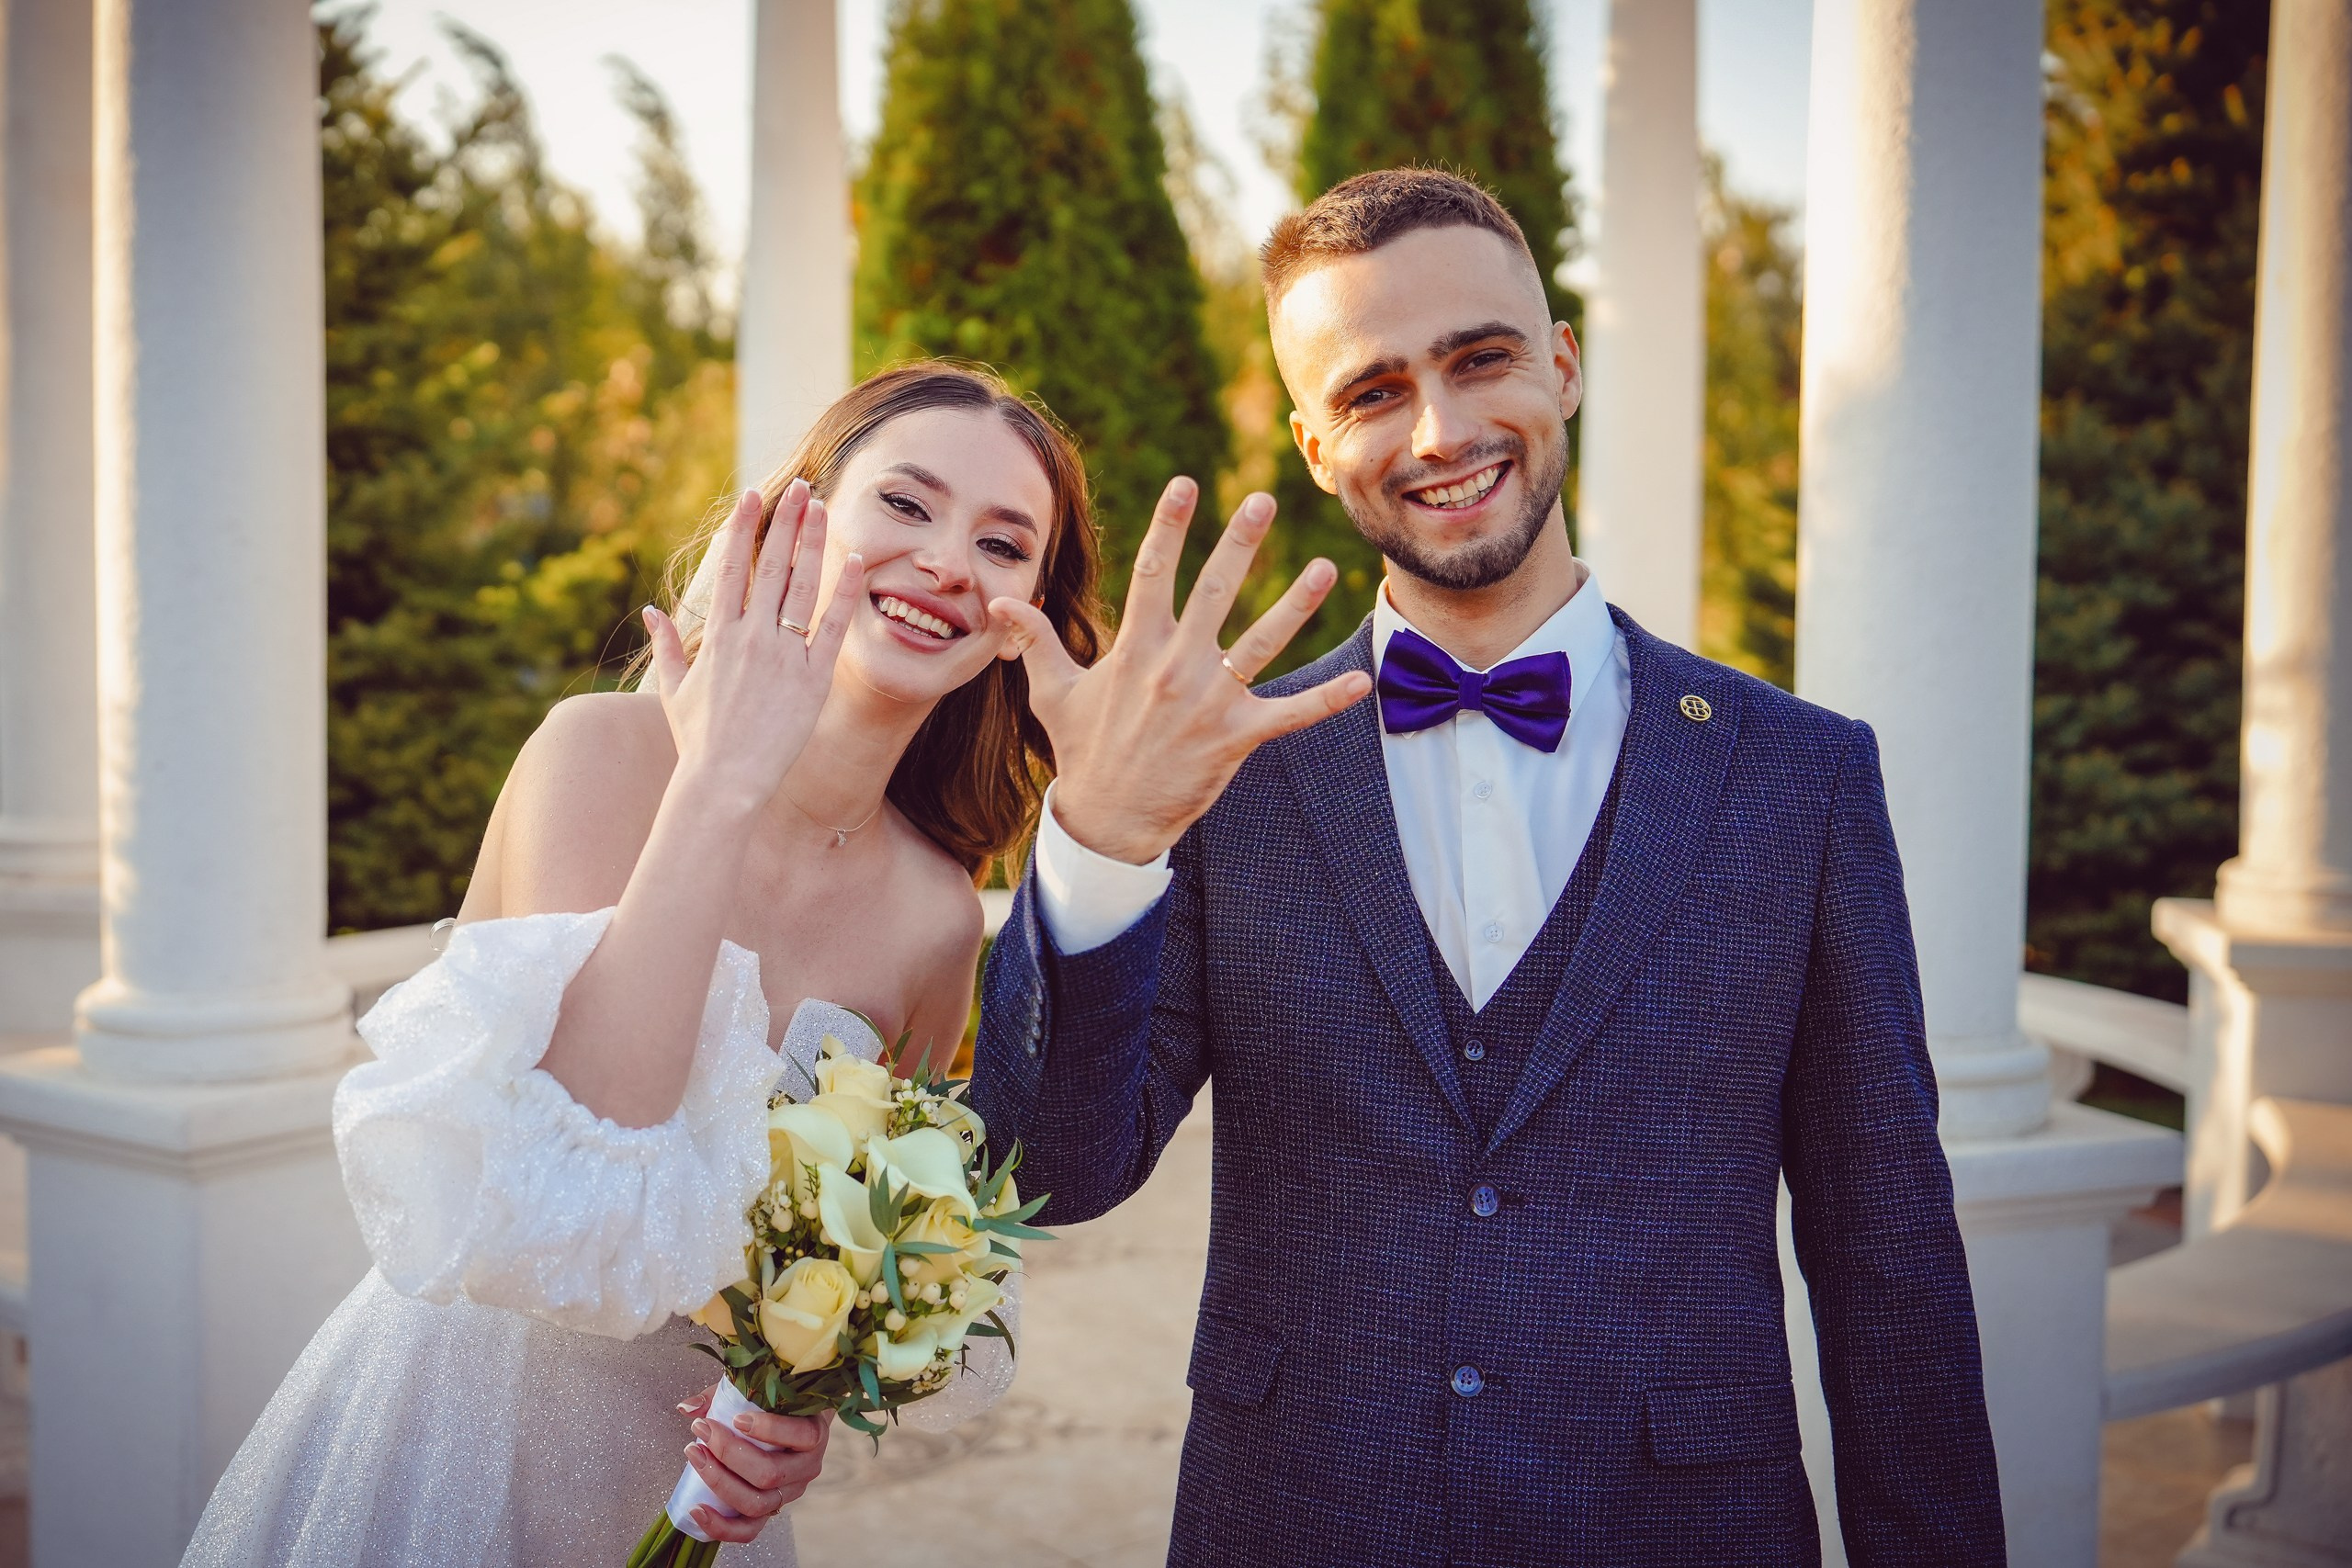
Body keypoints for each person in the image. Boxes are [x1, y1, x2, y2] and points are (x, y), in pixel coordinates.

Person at [973, 168, 2007, 1566]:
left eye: (1481, 359)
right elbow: (1050, 1173)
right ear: (1317, 444)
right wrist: (1097, 839)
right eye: (1372, 391)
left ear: (1564, 366)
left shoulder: (1798, 778)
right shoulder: (1220, 773)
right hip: (1301, 1524)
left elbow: (1890, 1262)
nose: (1441, 430)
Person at [184, 361, 1105, 1567]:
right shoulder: (598, 755)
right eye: (908, 505)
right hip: (446, 1450)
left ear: (1021, 618)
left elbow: (858, 1249)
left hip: (686, 1505)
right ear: (799, 521)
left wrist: (800, 1408)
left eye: (1002, 543)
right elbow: (582, 1160)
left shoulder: (939, 916)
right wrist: (718, 786)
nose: (945, 562)